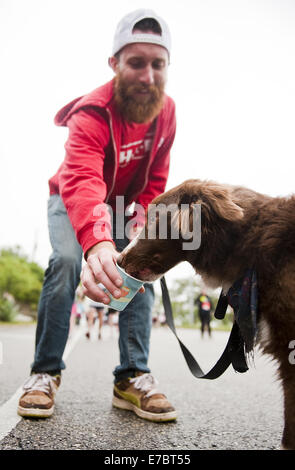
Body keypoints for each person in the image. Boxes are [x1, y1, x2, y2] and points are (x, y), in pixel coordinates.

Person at [17, 9, 177, 422]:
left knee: (142, 269)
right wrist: (98, 241)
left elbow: (155, 179)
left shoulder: (167, 112)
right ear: (115, 64)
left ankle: (132, 376)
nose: (147, 76)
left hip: (125, 204)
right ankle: (44, 372)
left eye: (157, 64)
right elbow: (85, 178)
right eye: (136, 62)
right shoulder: (92, 111)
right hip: (72, 196)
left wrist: (140, 231)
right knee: (68, 261)